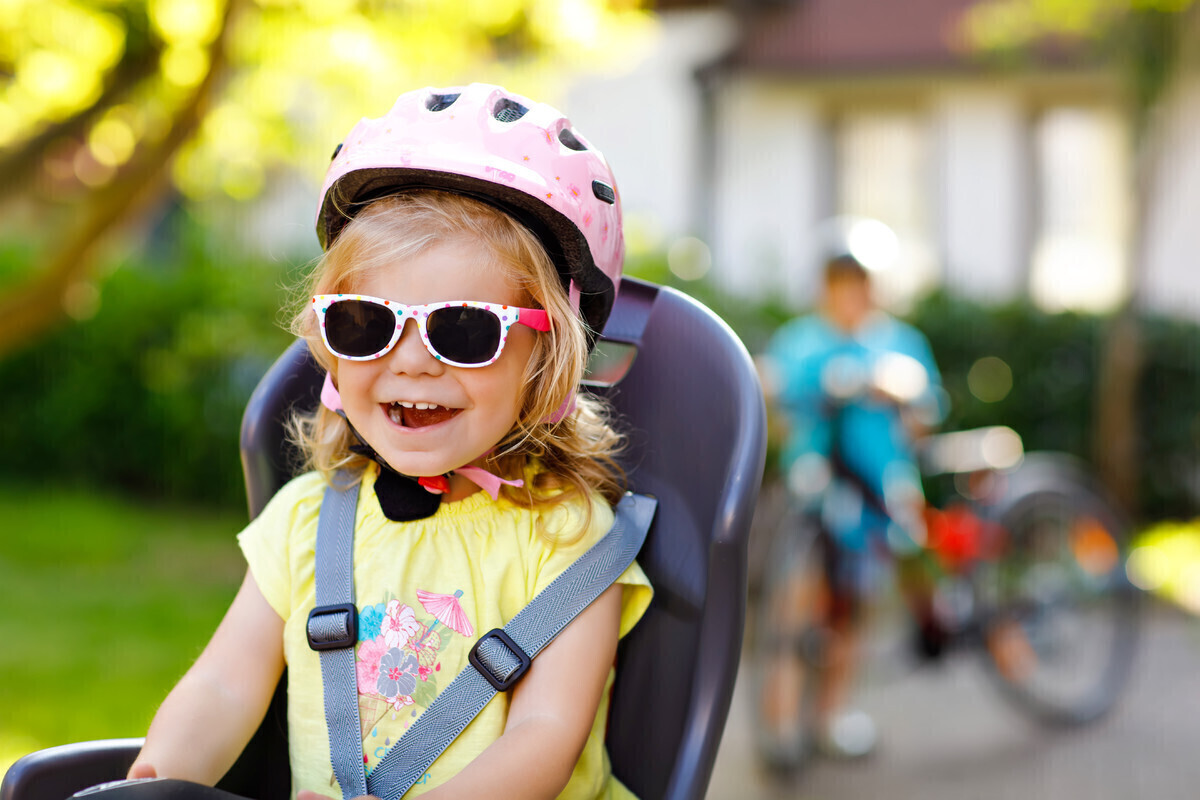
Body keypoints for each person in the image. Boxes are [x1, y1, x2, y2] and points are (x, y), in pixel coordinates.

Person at [125, 84, 652, 799]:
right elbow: (222, 684)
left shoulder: (564, 536)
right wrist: (160, 777)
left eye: (463, 330)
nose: (410, 361)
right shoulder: (307, 522)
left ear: (547, 359)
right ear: (328, 345)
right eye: (366, 324)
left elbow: (544, 742)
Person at [759, 252, 944, 759]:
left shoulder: (899, 343)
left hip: (877, 495)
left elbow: (924, 411)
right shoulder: (802, 341)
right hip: (815, 491)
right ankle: (780, 723)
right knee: (795, 605)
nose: (848, 296)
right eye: (839, 285)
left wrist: (896, 391)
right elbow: (772, 393)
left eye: (858, 285)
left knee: (852, 610)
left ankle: (830, 718)